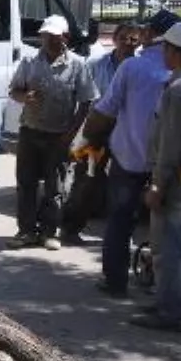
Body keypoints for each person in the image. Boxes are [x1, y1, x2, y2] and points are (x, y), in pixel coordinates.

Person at [82, 11, 180, 298]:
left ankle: (115, 281)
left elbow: (105, 110)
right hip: (174, 164)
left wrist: (86, 139)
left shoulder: (132, 68)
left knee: (120, 220)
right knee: (169, 225)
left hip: (130, 160)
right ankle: (162, 285)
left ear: (150, 33)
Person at [131, 21, 181, 332]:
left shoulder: (179, 89)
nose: (162, 52)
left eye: (165, 47)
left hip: (177, 174)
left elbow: (171, 143)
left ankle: (172, 313)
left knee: (168, 246)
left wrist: (158, 184)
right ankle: (172, 303)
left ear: (175, 51)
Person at [6, 15, 98, 252]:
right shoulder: (29, 61)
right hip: (30, 130)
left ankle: (49, 231)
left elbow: (85, 102)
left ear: (65, 37)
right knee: (25, 183)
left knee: (54, 186)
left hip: (58, 134)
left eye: (54, 36)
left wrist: (70, 134)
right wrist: (23, 97)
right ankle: (26, 230)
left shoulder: (77, 64)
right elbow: (14, 90)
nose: (49, 41)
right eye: (45, 36)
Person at [60, 22, 142, 243]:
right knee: (86, 176)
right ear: (114, 39)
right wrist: (74, 132)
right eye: (124, 37)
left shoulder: (141, 68)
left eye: (133, 39)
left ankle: (121, 235)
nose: (128, 43)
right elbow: (83, 100)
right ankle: (70, 228)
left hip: (128, 131)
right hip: (97, 128)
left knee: (127, 181)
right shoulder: (95, 64)